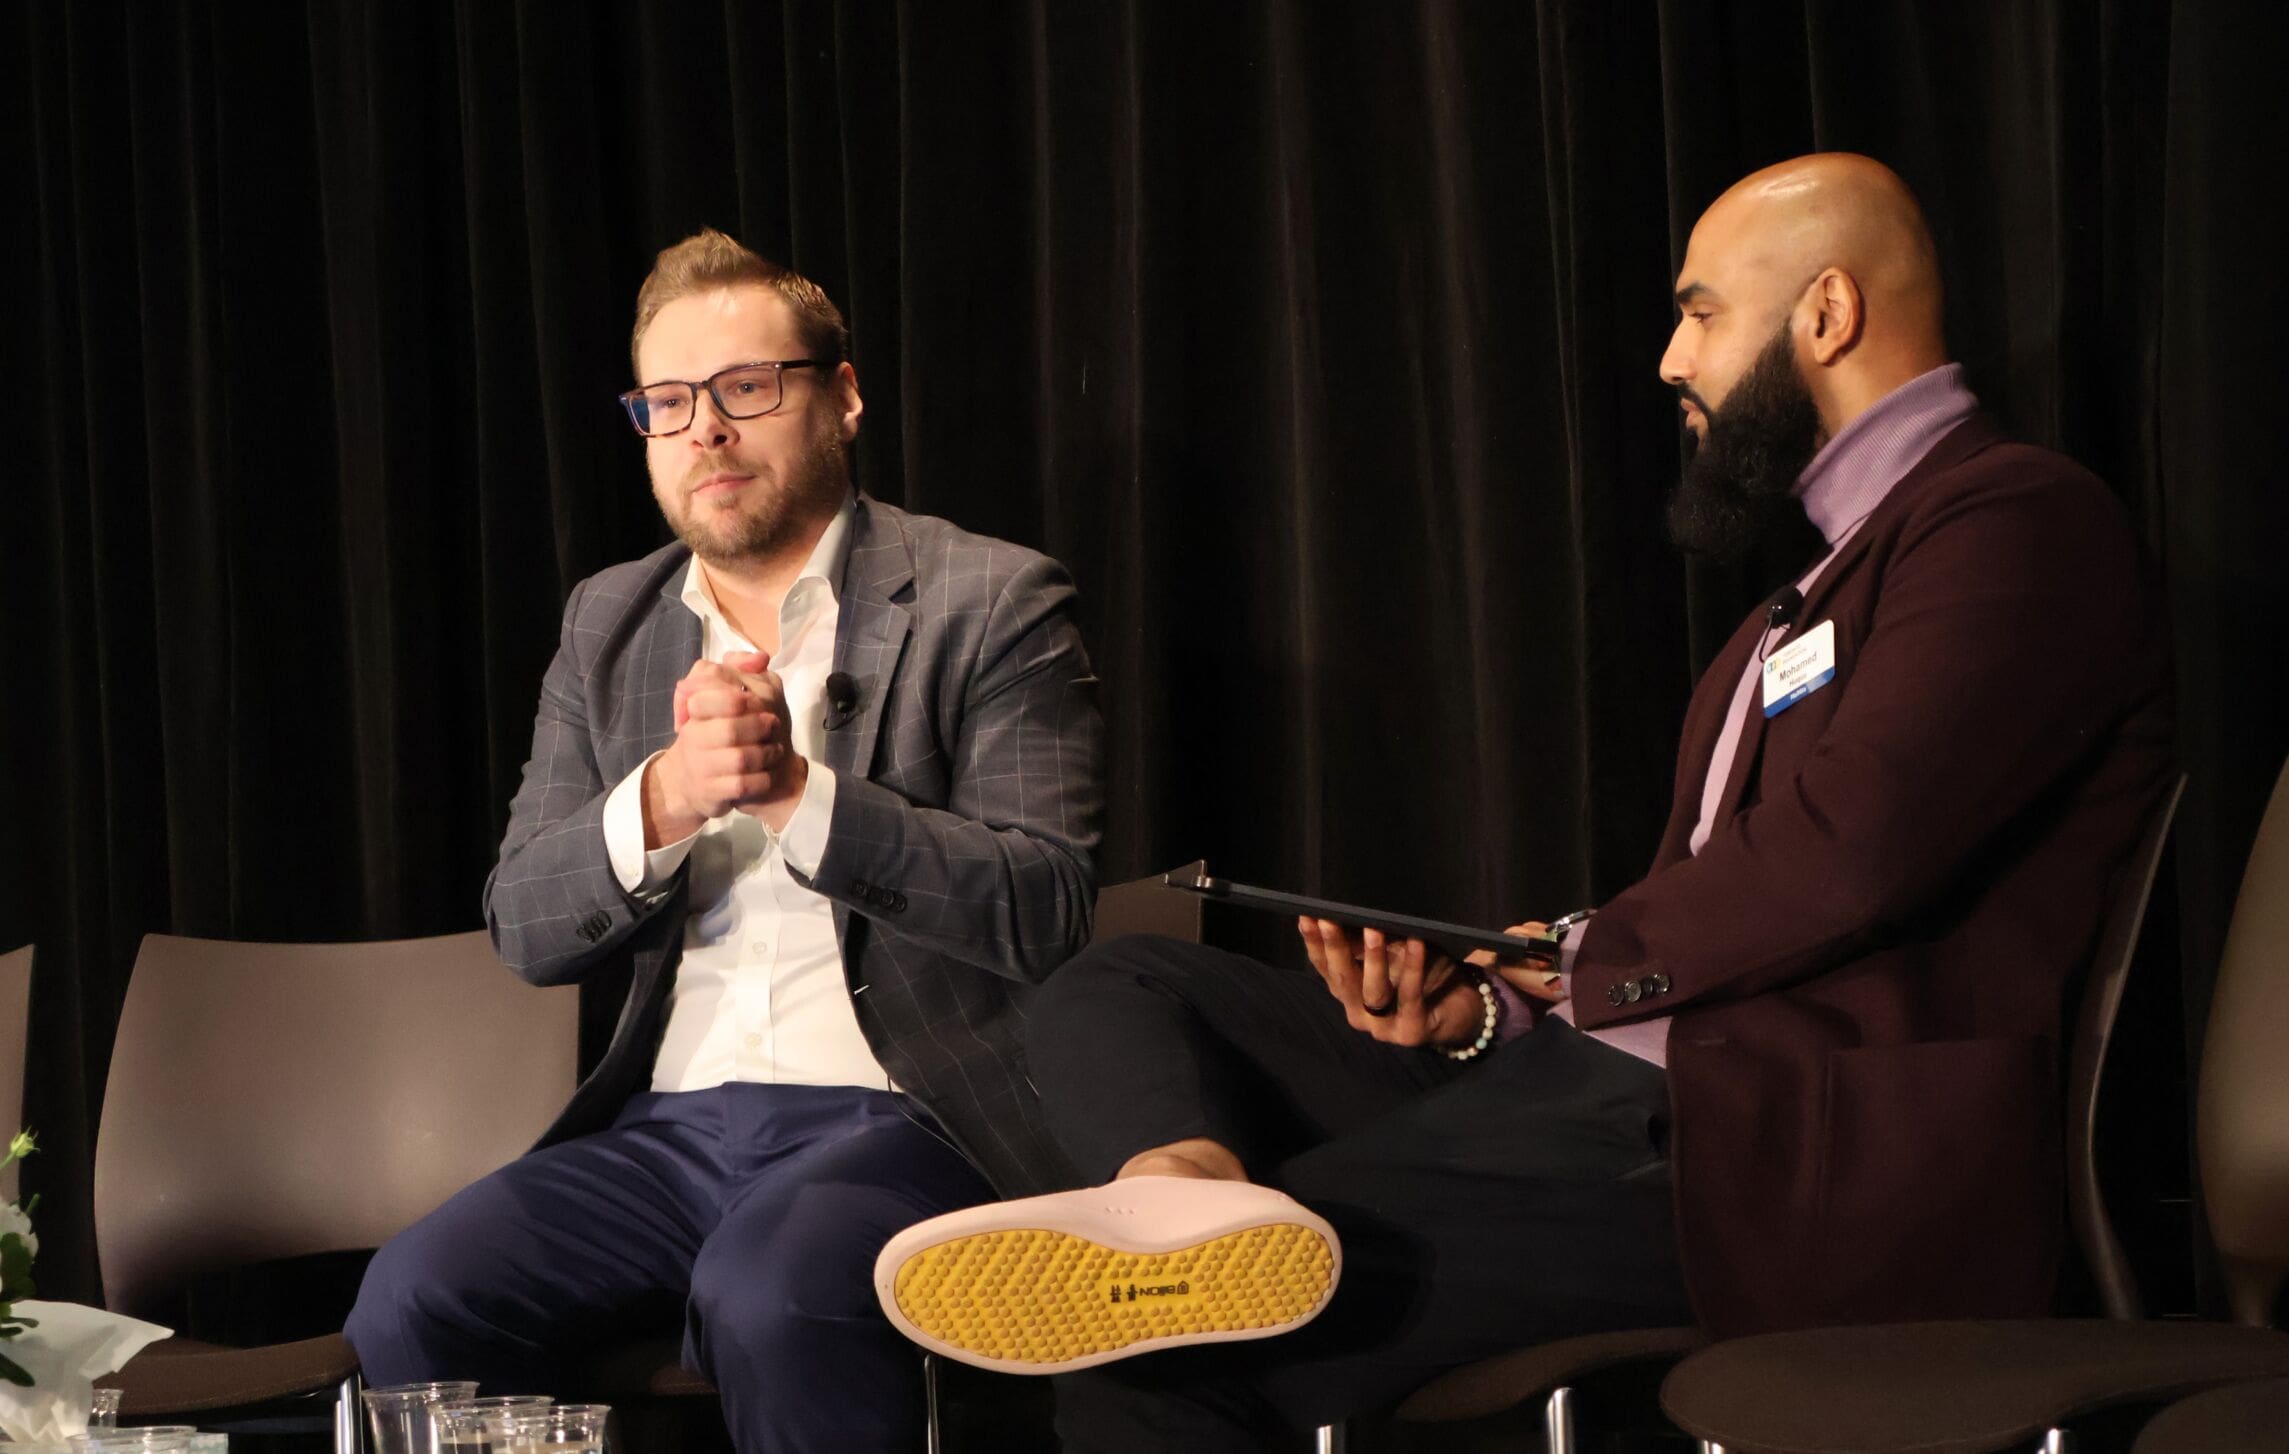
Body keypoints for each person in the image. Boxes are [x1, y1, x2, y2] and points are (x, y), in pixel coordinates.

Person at [871, 153, 2177, 1448]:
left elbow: (1851, 853)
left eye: (1704, 311)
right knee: (1125, 978)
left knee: (1147, 1360)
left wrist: (1582, 956)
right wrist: (1488, 1012)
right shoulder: (1803, 602)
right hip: (1596, 1093)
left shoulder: (2013, 521)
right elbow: (1742, 892)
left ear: (1826, 313)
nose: (1673, 357)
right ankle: (1184, 1190)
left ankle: (1179, 1271)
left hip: (1754, 1152)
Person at [345, 228, 1104, 1454]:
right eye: (669, 402)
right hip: (669, 1134)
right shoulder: (611, 621)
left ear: (842, 396)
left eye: (748, 388)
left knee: (773, 1290)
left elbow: (1042, 904)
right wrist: (662, 798)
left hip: (906, 1116)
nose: (707, 430)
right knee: (419, 1293)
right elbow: (526, 923)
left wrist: (798, 794)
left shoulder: (991, 601)